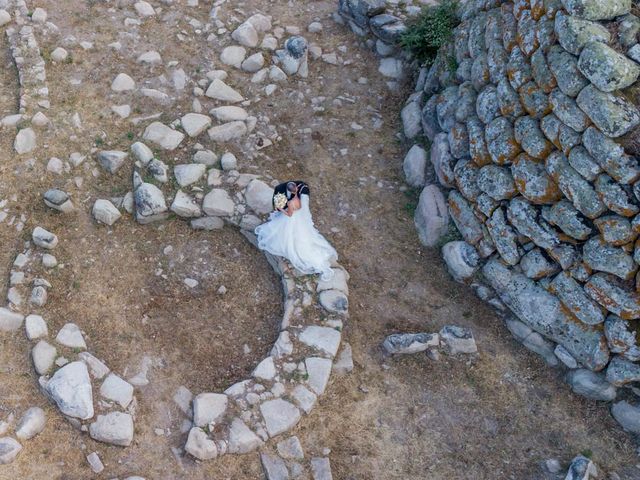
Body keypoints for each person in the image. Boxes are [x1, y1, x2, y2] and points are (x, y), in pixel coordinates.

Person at [255, 180, 337, 281]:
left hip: (291, 219)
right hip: (299, 219)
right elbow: (299, 209)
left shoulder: (290, 202)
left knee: (284, 234)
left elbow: (289, 214)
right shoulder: (298, 199)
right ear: (296, 189)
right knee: (300, 235)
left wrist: (281, 209)